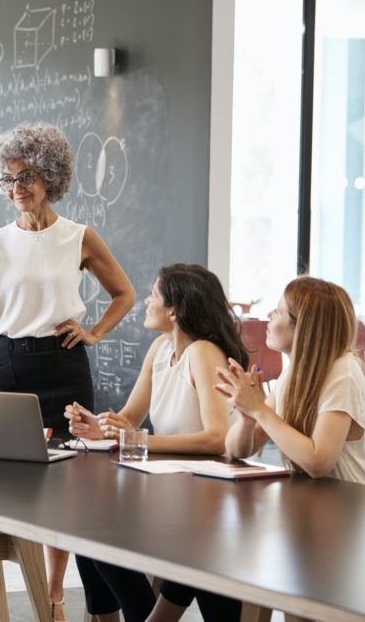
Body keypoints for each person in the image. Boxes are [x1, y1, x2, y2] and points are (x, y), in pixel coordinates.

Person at [0, 122, 136, 622]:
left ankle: (54, 598)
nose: (16, 189)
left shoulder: (79, 237)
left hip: (64, 365)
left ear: (49, 177)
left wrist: (94, 333)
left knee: (65, 487)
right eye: (7, 180)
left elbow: (124, 294)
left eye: (26, 177)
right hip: (6, 363)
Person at [64, 264, 248, 622]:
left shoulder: (202, 352)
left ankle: (141, 616)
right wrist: (100, 426)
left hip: (212, 496)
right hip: (175, 486)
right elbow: (129, 420)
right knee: (85, 529)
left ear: (174, 311)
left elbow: (217, 438)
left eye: (154, 295)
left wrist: (136, 439)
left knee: (99, 531)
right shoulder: (161, 349)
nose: (146, 301)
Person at [219, 276, 365, 486]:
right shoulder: (291, 375)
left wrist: (259, 409)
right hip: (316, 505)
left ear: (303, 326)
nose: (269, 316)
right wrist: (247, 418)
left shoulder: (343, 372)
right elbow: (234, 450)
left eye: (278, 311)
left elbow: (318, 462)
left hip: (351, 509)